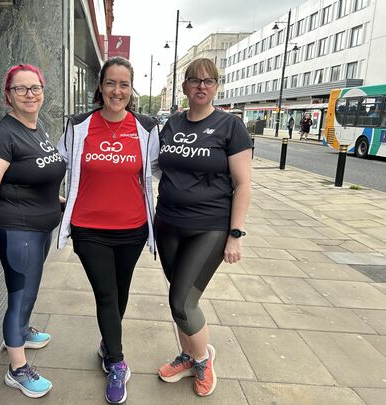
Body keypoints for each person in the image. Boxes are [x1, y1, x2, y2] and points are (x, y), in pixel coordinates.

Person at [56, 56, 159, 404]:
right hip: (89, 228)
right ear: (100, 87)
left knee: (120, 292)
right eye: (111, 83)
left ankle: (106, 343)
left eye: (124, 84)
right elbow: (59, 163)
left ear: (132, 89)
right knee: (106, 294)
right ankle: (117, 362)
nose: (117, 91)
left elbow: (161, 169)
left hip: (132, 228)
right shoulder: (79, 125)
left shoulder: (146, 128)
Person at [155, 58, 252, 397]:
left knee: (183, 301)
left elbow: (243, 184)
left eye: (208, 81)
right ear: (183, 86)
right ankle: (187, 355)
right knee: (177, 297)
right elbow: (155, 168)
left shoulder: (230, 127)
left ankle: (202, 358)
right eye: (194, 80)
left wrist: (235, 235)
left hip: (208, 228)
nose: (201, 86)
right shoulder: (169, 125)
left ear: (216, 87)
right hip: (167, 223)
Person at [0, 64, 66, 398]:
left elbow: (33, 173)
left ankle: (23, 331)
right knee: (20, 294)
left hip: (39, 227)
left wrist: (55, 198)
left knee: (30, 288)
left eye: (35, 88)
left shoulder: (36, 128)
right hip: (16, 229)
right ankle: (17, 369)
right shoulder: (2, 135)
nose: (30, 95)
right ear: (7, 96)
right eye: (21, 89)